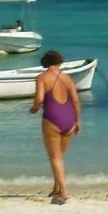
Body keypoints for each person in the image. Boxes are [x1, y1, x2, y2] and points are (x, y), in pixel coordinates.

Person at [29, 50, 81, 202]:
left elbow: (39, 98)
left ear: (45, 63)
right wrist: (78, 121)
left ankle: (63, 192)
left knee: (55, 157)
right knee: (59, 157)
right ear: (60, 62)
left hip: (52, 118)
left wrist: (35, 108)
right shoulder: (68, 78)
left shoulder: (42, 77)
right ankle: (56, 188)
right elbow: (76, 101)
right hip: (70, 119)